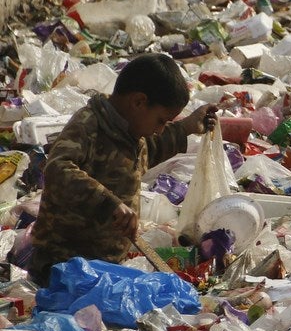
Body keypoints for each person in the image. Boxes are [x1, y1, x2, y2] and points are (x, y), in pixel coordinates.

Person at [26, 53, 217, 285]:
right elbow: (58, 167)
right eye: (160, 120)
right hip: (63, 267)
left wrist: (186, 127)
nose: (159, 129)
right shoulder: (89, 125)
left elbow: (151, 149)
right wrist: (110, 203)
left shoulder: (132, 132)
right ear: (138, 102)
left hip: (102, 266)